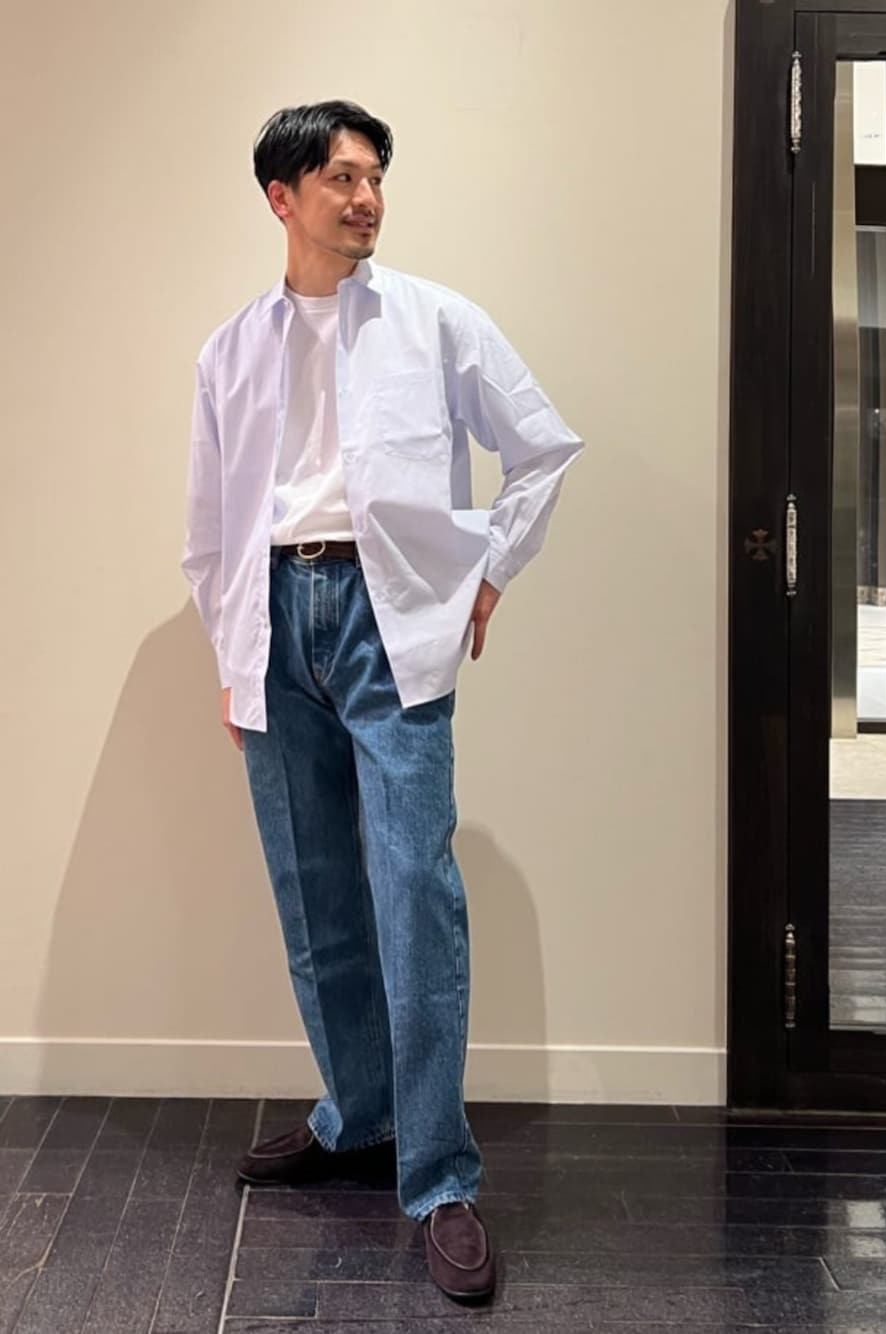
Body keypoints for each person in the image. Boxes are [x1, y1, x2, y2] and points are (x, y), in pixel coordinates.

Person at [180, 99, 584, 1303]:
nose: (366, 198)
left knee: (415, 893)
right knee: (315, 894)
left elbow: (543, 445)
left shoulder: (434, 321)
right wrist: (233, 650)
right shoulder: (229, 351)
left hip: (386, 616)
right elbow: (209, 529)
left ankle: (440, 1174)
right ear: (282, 197)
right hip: (272, 620)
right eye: (342, 178)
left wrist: (489, 571)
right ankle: (355, 1113)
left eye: (373, 177)